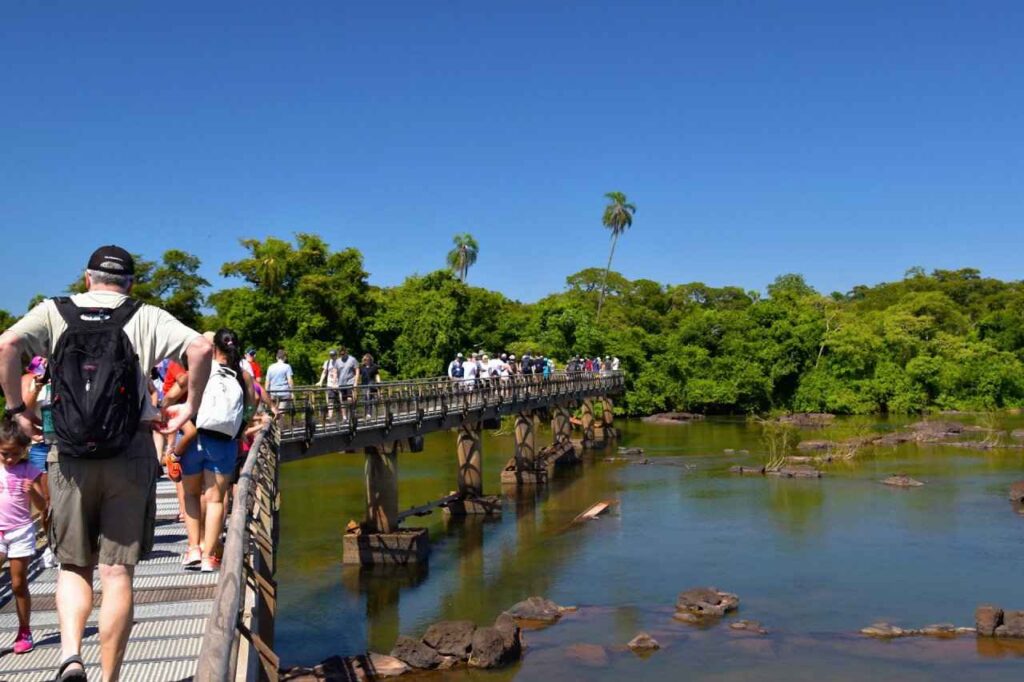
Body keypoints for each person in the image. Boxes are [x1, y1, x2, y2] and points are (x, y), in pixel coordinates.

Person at [0, 245, 213, 682]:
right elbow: (201, 347)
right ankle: (110, 677)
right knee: (116, 574)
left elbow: (7, 343)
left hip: (71, 455)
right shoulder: (147, 315)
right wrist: (190, 406)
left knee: (74, 566)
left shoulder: (54, 311)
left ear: (87, 278)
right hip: (131, 451)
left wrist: (16, 409)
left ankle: (72, 656)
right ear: (130, 283)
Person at [167, 329, 254, 573]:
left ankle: (193, 548)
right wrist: (239, 430)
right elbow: (250, 409)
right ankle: (208, 557)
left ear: (213, 347)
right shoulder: (244, 376)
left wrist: (174, 417)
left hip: (194, 442)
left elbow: (174, 396)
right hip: (224, 443)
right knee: (215, 500)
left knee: (192, 496)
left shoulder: (201, 367)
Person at [0, 418, 48, 655]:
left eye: (16, 454)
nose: (10, 459)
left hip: (20, 530)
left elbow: (43, 506)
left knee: (18, 584)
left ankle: (24, 629)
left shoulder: (29, 470)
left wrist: (33, 493)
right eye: (5, 454)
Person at [20, 356, 55, 567]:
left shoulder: (66, 366)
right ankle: (52, 545)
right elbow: (23, 408)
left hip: (67, 442)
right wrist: (40, 384)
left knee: (71, 498)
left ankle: (77, 544)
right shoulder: (29, 377)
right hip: (41, 444)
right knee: (47, 502)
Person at [264, 349, 294, 418]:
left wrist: (267, 392)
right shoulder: (287, 366)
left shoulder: (270, 367)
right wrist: (292, 392)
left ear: (277, 357)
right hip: (284, 392)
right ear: (285, 357)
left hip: (273, 392)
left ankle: (272, 427)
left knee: (273, 411)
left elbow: (267, 381)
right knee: (281, 413)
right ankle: (279, 428)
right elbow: (290, 380)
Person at [318, 349, 344, 420]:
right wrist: (320, 381)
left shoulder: (340, 362)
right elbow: (324, 372)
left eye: (333, 355)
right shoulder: (327, 362)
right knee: (330, 400)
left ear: (336, 355)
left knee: (341, 401)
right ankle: (330, 416)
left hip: (339, 384)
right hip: (330, 384)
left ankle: (344, 416)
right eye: (331, 355)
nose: (332, 356)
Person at [336, 346, 359, 421]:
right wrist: (335, 382)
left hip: (350, 382)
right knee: (342, 400)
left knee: (349, 399)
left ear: (346, 352)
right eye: (341, 354)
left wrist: (356, 382)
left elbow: (357, 370)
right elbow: (336, 372)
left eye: (343, 353)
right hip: (341, 383)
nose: (342, 355)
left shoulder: (352, 359)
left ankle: (351, 413)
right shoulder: (338, 361)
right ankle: (344, 417)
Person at [355, 353, 381, 418]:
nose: (367, 361)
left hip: (371, 384)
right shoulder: (361, 367)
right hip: (364, 384)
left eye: (368, 359)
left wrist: (379, 383)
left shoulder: (374, 367)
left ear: (371, 360)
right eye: (365, 359)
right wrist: (356, 382)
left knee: (368, 394)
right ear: (364, 360)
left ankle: (369, 413)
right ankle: (367, 413)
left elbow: (377, 375)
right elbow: (358, 375)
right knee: (366, 398)